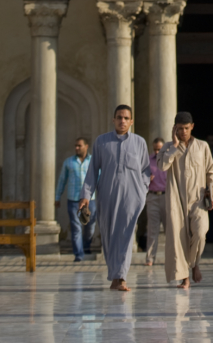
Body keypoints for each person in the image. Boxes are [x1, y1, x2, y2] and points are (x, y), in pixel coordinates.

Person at [79, 105, 149, 291]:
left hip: (132, 197)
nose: (122, 121)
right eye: (119, 117)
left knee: (126, 235)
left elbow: (145, 171)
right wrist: (86, 196)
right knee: (109, 235)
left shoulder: (140, 142)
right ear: (113, 120)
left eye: (126, 118)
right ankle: (115, 276)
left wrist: (142, 191)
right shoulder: (101, 142)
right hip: (107, 195)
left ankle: (122, 277)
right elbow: (93, 170)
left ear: (131, 121)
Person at [157, 111, 213, 288]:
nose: (183, 132)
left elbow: (210, 170)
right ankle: (184, 277)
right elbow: (162, 166)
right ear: (174, 128)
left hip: (198, 199)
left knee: (200, 233)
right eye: (179, 128)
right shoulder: (168, 147)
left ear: (192, 127)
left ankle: (194, 264)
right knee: (179, 238)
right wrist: (174, 147)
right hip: (176, 199)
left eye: (186, 128)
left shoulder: (202, 146)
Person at [55, 136, 96, 262]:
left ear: (86, 146)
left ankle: (86, 246)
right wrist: (57, 197)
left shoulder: (93, 161)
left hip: (91, 200)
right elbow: (62, 180)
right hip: (74, 200)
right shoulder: (69, 162)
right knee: (76, 228)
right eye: (75, 146)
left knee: (90, 227)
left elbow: (99, 179)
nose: (77, 148)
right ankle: (79, 254)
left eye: (79, 146)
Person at [145, 137, 166, 266]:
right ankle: (150, 258)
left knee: (170, 229)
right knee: (152, 229)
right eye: (155, 149)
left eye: (160, 149)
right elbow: (141, 177)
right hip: (152, 196)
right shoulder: (148, 160)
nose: (157, 152)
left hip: (166, 196)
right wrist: (147, 179)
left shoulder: (170, 161)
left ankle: (172, 258)